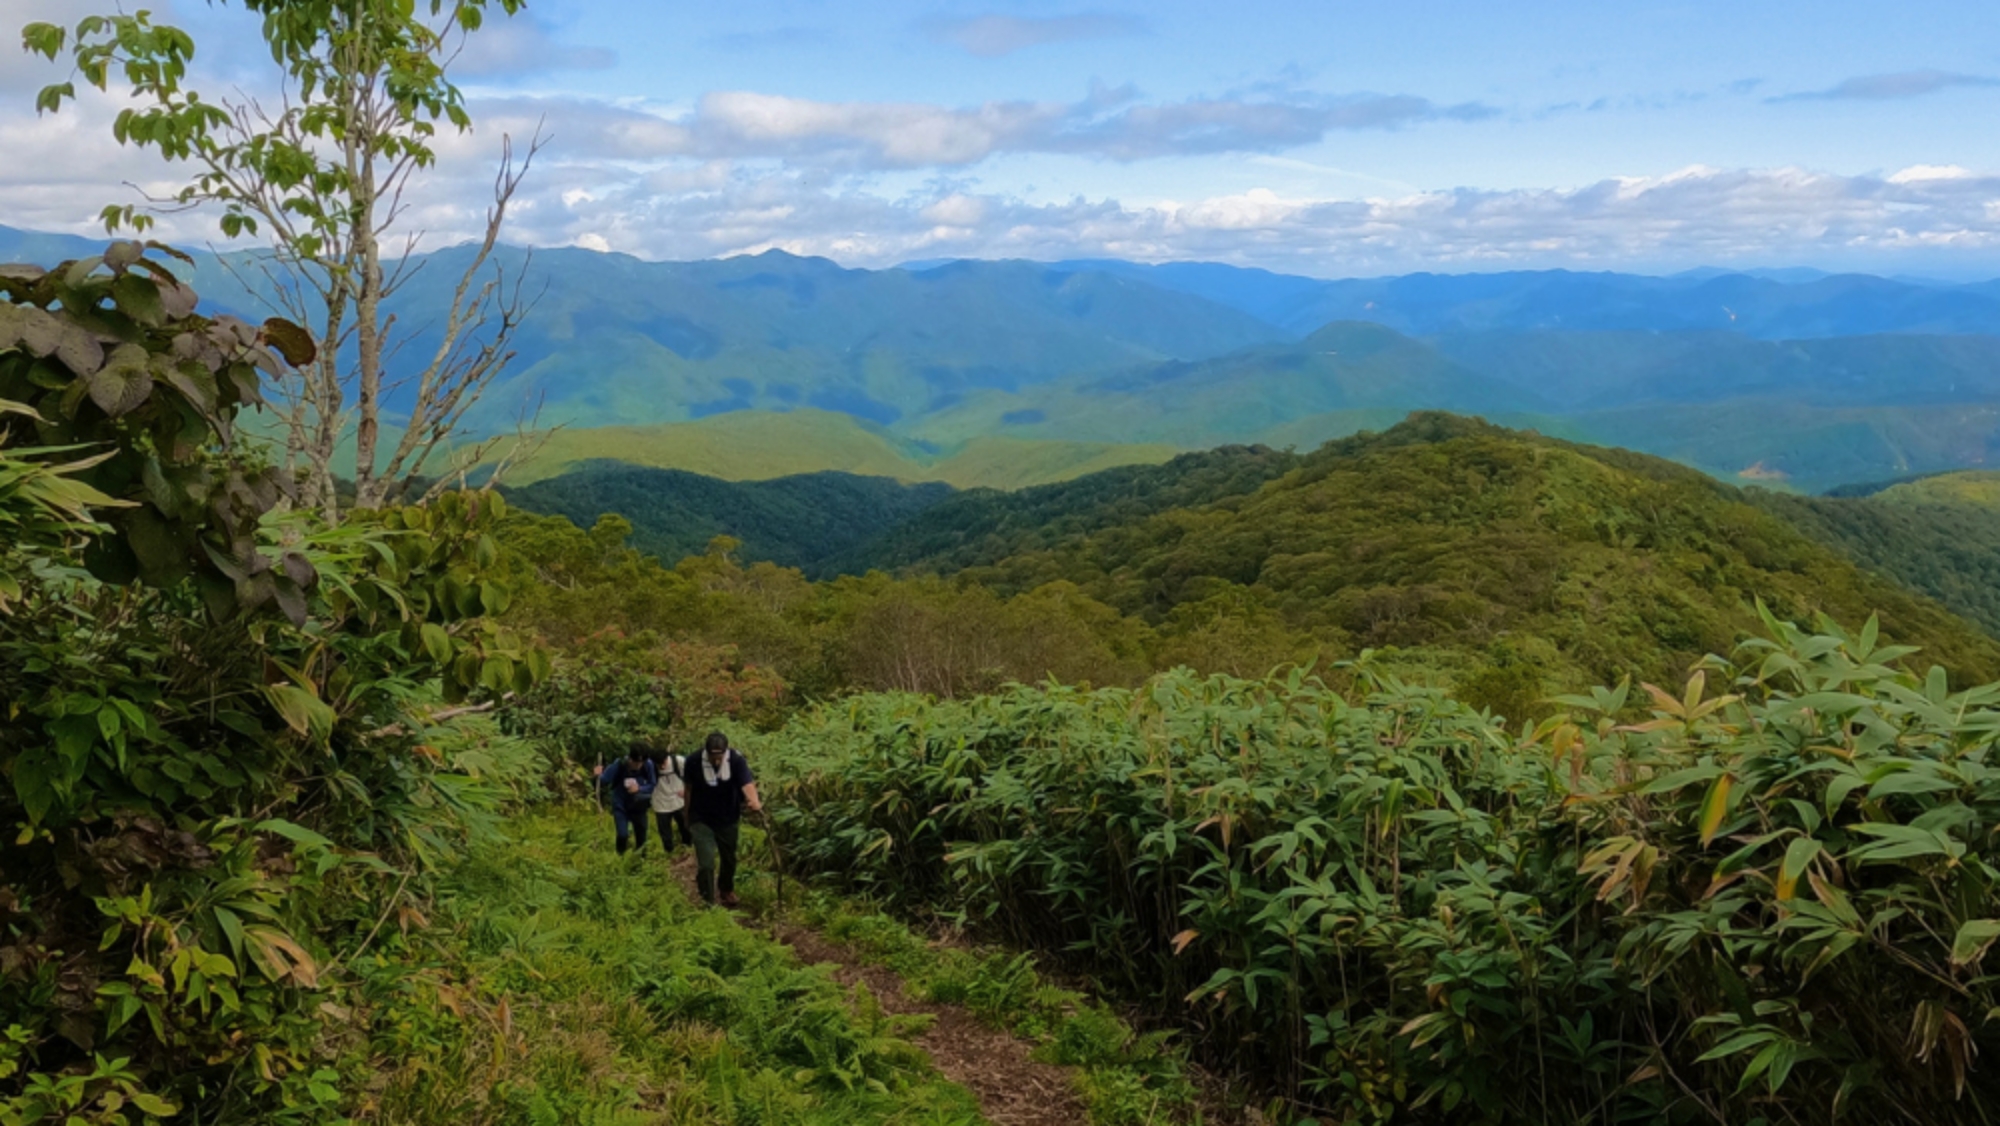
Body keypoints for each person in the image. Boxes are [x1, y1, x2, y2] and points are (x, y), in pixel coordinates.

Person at [682, 730, 761, 907]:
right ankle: (707, 901)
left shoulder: (736, 760)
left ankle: (726, 889)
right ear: (706, 752)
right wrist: (686, 815)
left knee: (729, 858)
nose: (716, 760)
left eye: (720, 756)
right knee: (706, 863)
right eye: (712, 756)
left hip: (728, 817)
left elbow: (747, 783)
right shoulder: (693, 761)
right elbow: (688, 789)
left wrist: (754, 800)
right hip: (700, 817)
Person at [595, 743, 658, 855]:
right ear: (630, 759)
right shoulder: (619, 764)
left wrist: (640, 788)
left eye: (641, 763)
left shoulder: (648, 764)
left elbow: (652, 784)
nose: (639, 765)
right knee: (622, 834)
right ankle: (621, 857)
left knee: (641, 836)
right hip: (620, 804)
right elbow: (605, 780)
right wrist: (598, 774)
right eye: (636, 763)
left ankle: (641, 860)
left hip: (639, 805)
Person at [651, 745, 689, 854]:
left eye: (663, 763)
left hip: (679, 800)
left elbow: (692, 775)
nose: (662, 767)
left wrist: (686, 790)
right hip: (660, 802)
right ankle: (669, 852)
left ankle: (687, 848)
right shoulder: (650, 766)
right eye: (659, 765)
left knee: (685, 827)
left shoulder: (678, 761)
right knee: (665, 831)